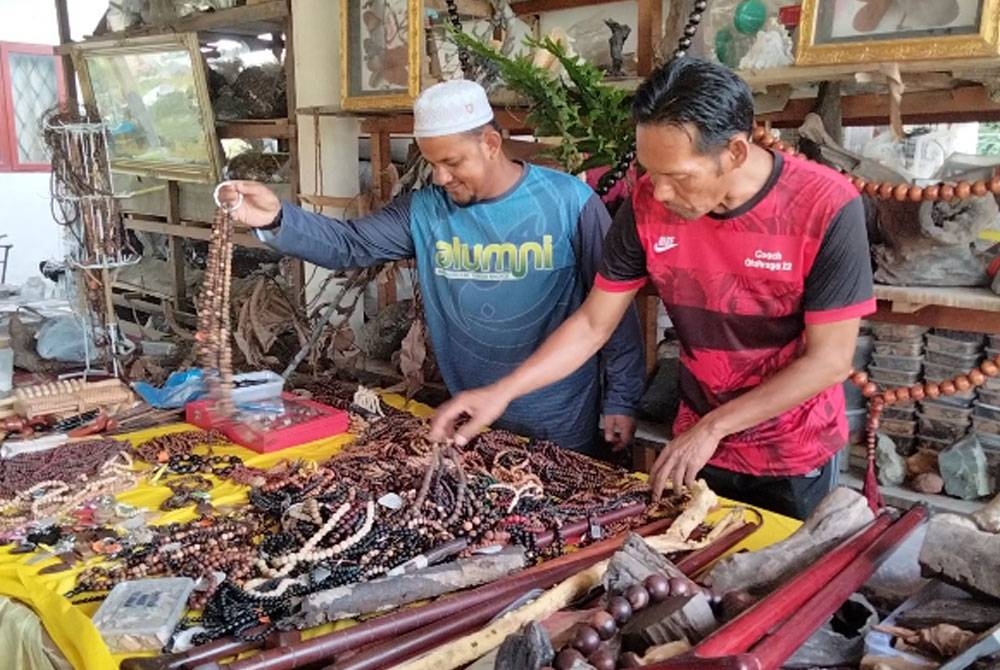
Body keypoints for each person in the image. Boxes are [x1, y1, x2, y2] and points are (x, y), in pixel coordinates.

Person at [429, 58, 876, 519]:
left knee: (788, 576)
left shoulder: (827, 207)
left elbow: (829, 360)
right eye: (650, 172)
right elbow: (591, 323)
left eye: (677, 176)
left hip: (792, 449)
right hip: (697, 445)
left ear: (736, 153)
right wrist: (503, 391)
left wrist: (714, 427)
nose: (658, 192)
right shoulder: (646, 204)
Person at [216, 79, 644, 457]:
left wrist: (621, 399)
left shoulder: (569, 202)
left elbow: (610, 312)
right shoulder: (424, 213)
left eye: (452, 162)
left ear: (491, 144)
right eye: (432, 163)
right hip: (466, 415)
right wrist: (276, 218)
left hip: (560, 415)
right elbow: (349, 245)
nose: (439, 177)